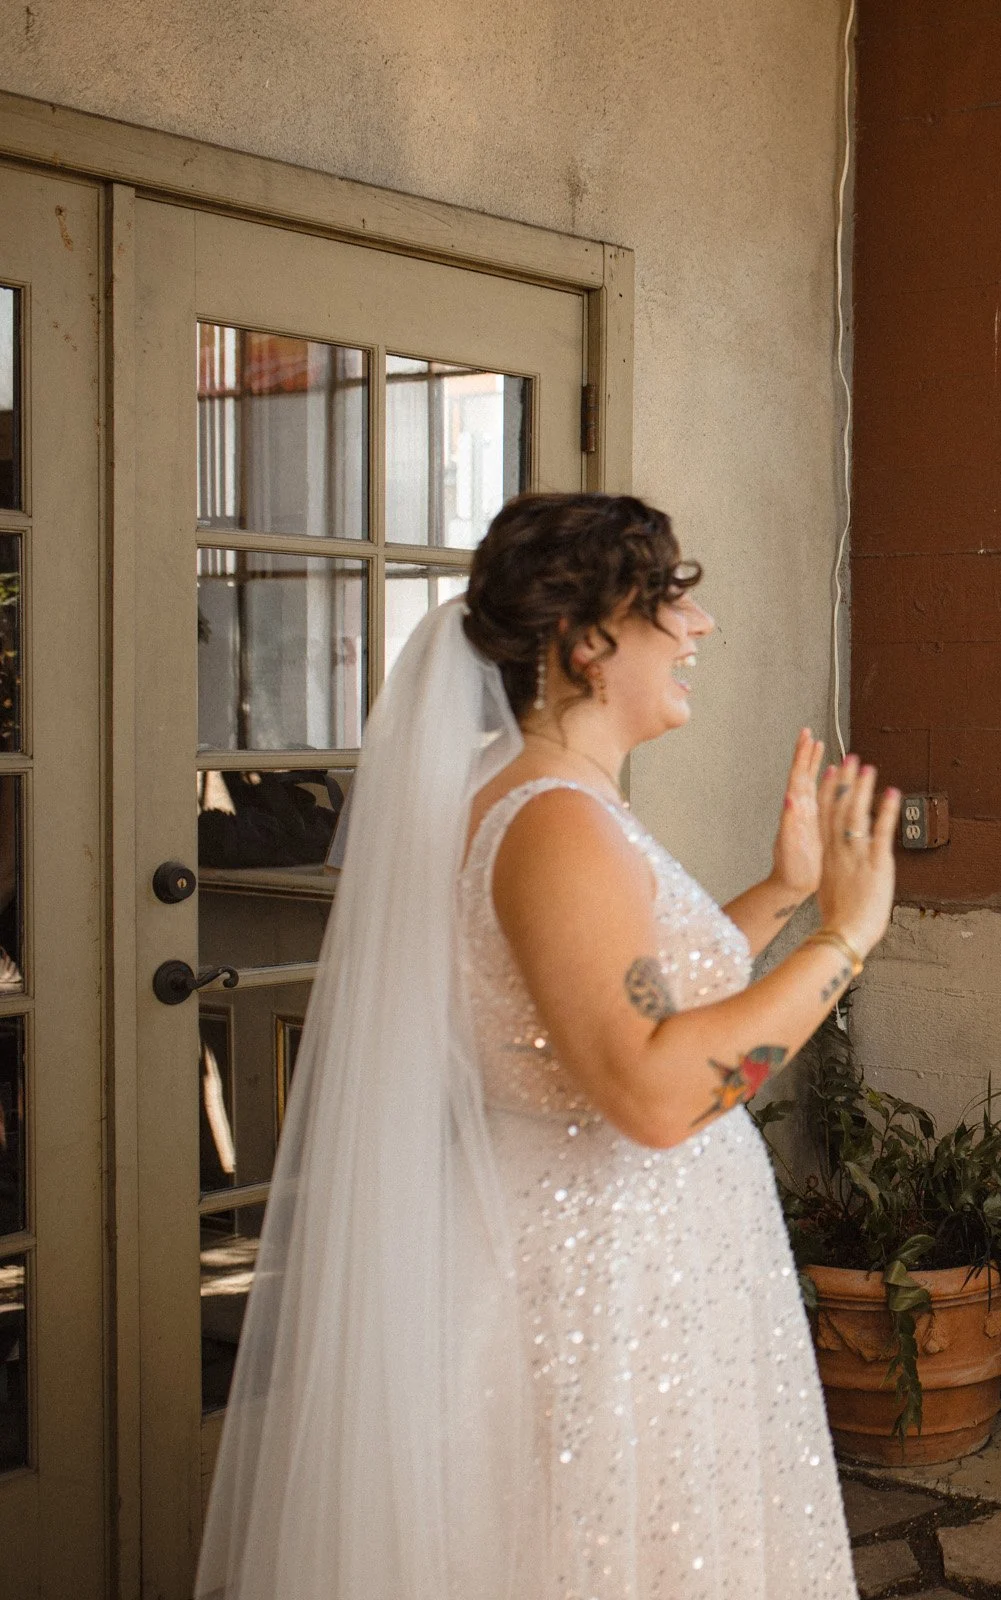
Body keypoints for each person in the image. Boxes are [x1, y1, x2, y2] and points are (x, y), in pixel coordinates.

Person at [197, 493, 896, 1600]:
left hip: (628, 1254)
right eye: (671, 600)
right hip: (599, 1275)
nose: (699, 626)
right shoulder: (555, 821)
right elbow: (654, 1091)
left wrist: (786, 896)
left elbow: (621, 998)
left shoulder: (546, 798)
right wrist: (850, 938)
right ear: (588, 642)